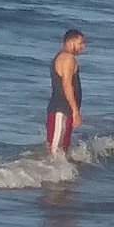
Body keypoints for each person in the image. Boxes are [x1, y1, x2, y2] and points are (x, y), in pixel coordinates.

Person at [46, 29, 85, 157]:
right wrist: (75, 111)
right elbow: (67, 85)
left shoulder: (61, 56)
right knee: (55, 151)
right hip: (61, 110)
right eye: (80, 43)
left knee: (61, 150)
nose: (83, 47)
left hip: (63, 110)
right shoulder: (68, 58)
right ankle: (50, 175)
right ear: (70, 42)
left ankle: (61, 176)